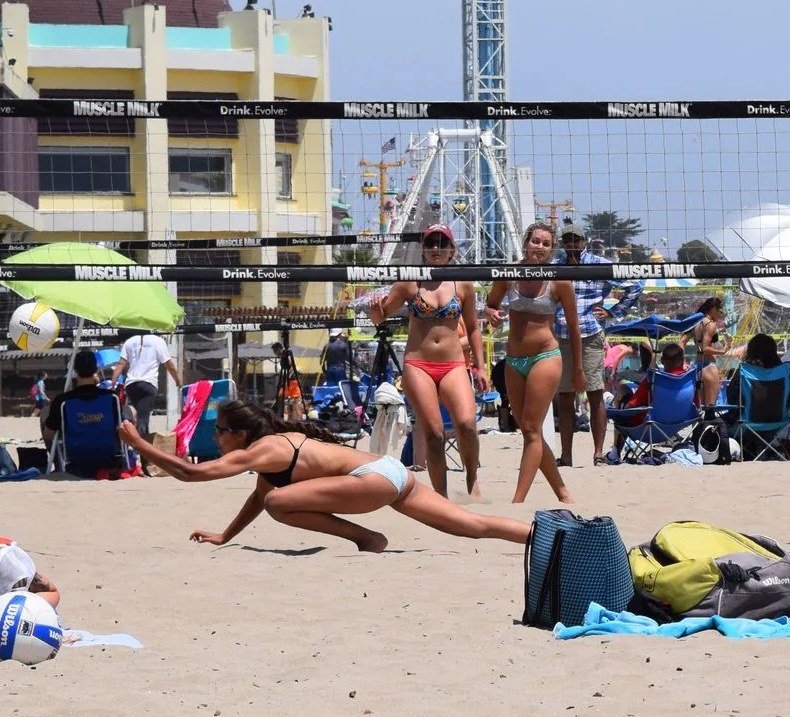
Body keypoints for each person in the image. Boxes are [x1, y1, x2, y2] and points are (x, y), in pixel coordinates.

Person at [121, 402, 532, 554]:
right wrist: (225, 536)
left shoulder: (263, 449)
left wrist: (139, 442)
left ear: (240, 434)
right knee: (472, 528)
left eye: (219, 431)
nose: (216, 437)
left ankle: (367, 539)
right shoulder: (274, 450)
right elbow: (255, 497)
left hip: (374, 479)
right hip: (391, 472)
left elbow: (191, 474)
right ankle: (544, 535)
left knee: (279, 503)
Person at [366, 225, 486, 500]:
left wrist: (479, 366)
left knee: (467, 425)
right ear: (424, 249)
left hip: (453, 364)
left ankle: (471, 477)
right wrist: (376, 313)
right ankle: (441, 496)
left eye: (443, 244)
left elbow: (474, 328)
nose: (436, 248)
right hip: (419, 364)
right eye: (431, 243)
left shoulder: (462, 283)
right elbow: (381, 316)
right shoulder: (410, 282)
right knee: (432, 432)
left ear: (452, 251)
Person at [485, 222, 579, 504]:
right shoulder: (508, 273)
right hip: (514, 359)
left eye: (545, 244)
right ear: (526, 242)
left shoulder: (558, 280)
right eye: (535, 241)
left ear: (552, 250)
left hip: (545, 356)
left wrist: (578, 371)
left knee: (529, 428)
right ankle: (563, 493)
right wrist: (492, 313)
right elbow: (490, 304)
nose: (539, 247)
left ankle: (518, 501)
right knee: (529, 430)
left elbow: (573, 327)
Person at [551, 225, 640, 469]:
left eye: (575, 240)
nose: (571, 244)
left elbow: (635, 286)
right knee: (566, 397)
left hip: (590, 333)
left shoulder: (599, 264)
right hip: (562, 335)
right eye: (567, 240)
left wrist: (613, 312)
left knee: (595, 394)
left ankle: (598, 453)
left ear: (584, 241)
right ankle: (566, 456)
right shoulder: (556, 265)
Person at [689, 292, 746, 412]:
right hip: (709, 367)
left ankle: (701, 430)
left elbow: (682, 341)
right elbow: (705, 349)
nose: (720, 315)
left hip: (697, 366)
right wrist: (724, 350)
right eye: (720, 311)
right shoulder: (711, 325)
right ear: (714, 309)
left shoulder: (696, 323)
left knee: (702, 409)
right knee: (711, 409)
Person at [117, 328, 177, 436]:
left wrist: (113, 382)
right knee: (143, 420)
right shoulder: (158, 341)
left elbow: (121, 363)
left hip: (131, 385)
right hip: (148, 385)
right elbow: (169, 364)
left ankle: (132, 436)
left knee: (136, 415)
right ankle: (142, 449)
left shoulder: (130, 341)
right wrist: (178, 381)